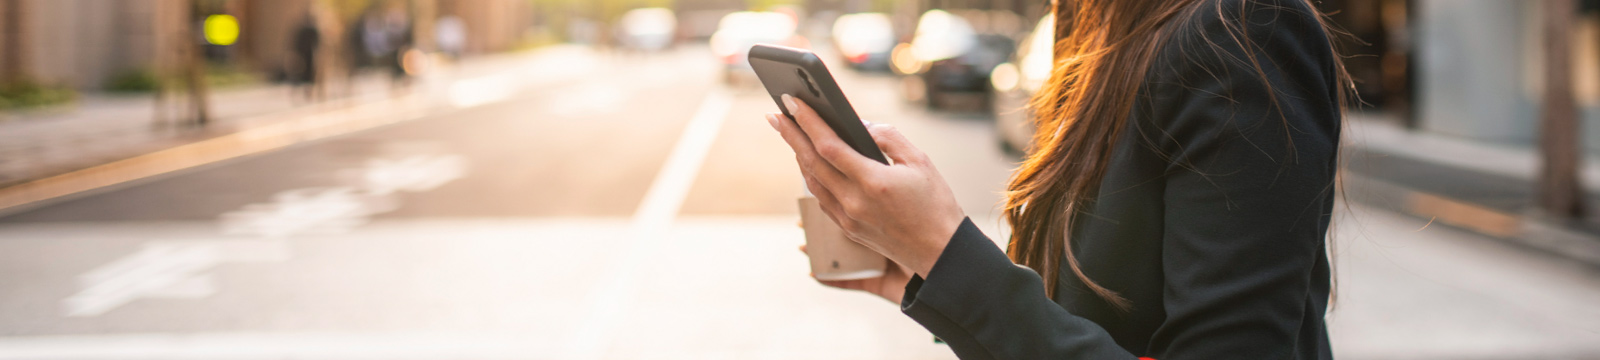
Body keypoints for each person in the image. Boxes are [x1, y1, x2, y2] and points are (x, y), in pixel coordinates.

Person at [765, 0, 1350, 358]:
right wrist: (927, 272)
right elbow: (1093, 313)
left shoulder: (1236, 31)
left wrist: (945, 254)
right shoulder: (1098, 32)